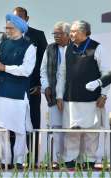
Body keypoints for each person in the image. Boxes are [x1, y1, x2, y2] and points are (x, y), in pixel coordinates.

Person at [56, 20, 109, 168]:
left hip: (93, 100)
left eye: (73, 31)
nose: (70, 34)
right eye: (70, 31)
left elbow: (107, 73)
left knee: (91, 132)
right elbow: (62, 74)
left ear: (84, 32)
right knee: (71, 131)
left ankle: (89, 160)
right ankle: (69, 159)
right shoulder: (68, 48)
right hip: (71, 98)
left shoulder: (97, 48)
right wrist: (59, 95)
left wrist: (103, 95)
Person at [0, 14, 36, 169]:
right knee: (1, 129)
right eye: (6, 28)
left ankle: (18, 161)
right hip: (1, 91)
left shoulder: (29, 47)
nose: (7, 30)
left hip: (18, 93)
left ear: (20, 29)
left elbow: (26, 70)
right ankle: (4, 161)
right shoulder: (3, 44)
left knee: (19, 129)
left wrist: (5, 68)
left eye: (10, 28)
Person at [13, 7, 48, 164]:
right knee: (15, 124)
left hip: (33, 88)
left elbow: (45, 62)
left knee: (33, 123)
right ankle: (16, 160)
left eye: (21, 18)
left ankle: (33, 160)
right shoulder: (8, 35)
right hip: (14, 89)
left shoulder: (38, 35)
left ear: (27, 18)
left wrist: (41, 84)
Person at [40, 21, 70, 165]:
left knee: (72, 128)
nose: (56, 36)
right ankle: (59, 160)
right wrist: (45, 86)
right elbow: (43, 71)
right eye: (54, 34)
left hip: (72, 95)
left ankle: (72, 159)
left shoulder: (75, 48)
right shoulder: (50, 49)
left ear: (68, 34)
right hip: (52, 94)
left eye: (59, 34)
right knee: (57, 128)